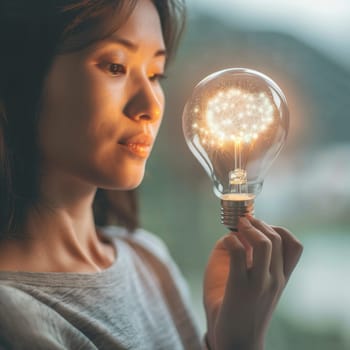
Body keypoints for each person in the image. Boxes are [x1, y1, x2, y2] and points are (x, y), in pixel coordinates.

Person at [0, 0, 303, 349]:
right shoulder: (14, 315)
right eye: (115, 66)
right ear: (19, 75)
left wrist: (229, 337)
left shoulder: (148, 260)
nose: (151, 106)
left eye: (156, 74)